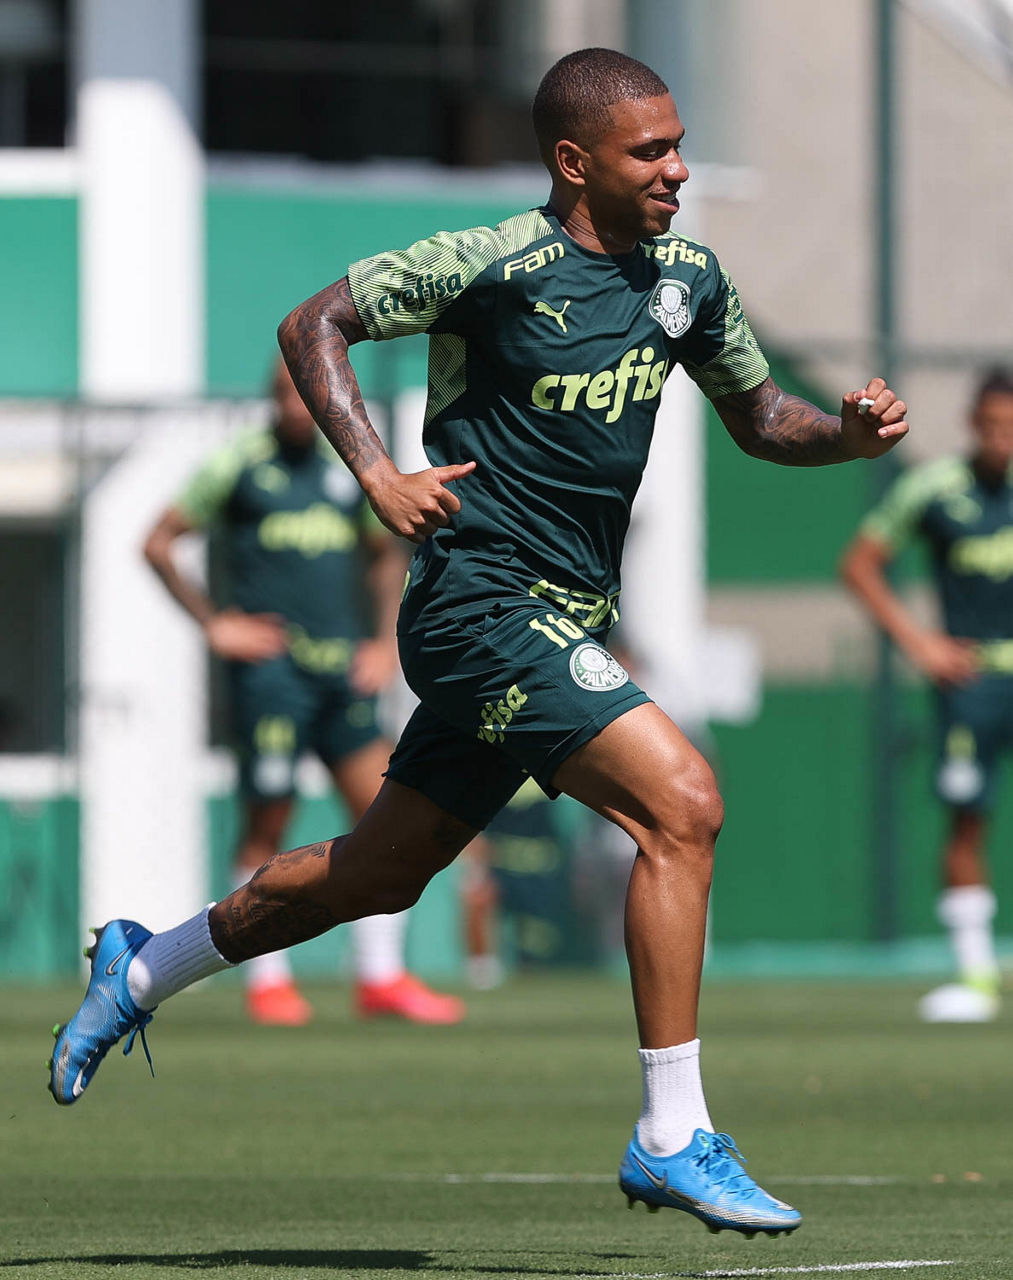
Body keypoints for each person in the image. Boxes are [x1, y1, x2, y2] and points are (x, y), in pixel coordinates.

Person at [49, 47, 909, 1238]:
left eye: (676, 144)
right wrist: (376, 474)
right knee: (682, 803)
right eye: (649, 150)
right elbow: (315, 323)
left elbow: (761, 417)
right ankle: (671, 1131)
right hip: (478, 606)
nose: (675, 167)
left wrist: (845, 437)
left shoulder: (688, 279)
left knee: (377, 874)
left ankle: (142, 965)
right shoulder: (491, 262)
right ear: (573, 162)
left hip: (561, 616)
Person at [141, 358, 465, 1027]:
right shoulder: (237, 464)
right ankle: (266, 980)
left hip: (341, 671)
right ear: (270, 399)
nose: (296, 406)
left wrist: (382, 642)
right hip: (272, 676)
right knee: (270, 820)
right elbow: (159, 542)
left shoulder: (347, 470)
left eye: (304, 395)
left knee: (384, 815)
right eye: (285, 394)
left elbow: (382, 554)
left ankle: (380, 977)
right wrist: (216, 624)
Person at [841, 369, 1013, 1023]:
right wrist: (919, 644)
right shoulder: (935, 487)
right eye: (991, 425)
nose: (1000, 439)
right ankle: (976, 977)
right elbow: (859, 564)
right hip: (970, 683)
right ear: (973, 424)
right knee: (967, 819)